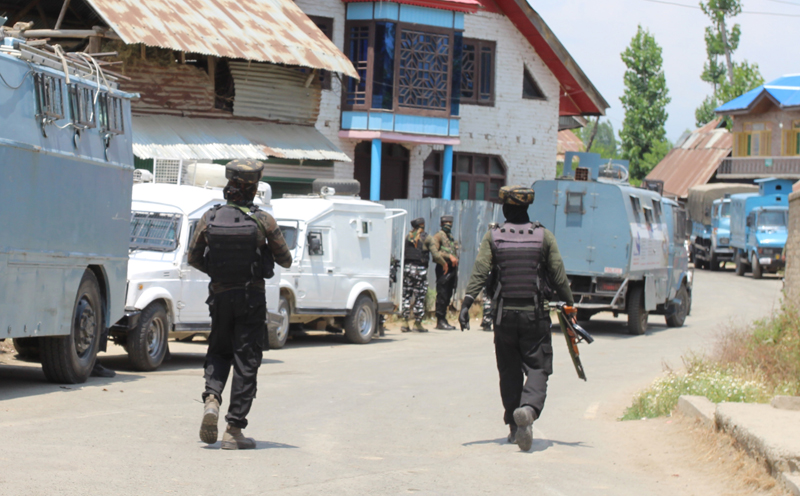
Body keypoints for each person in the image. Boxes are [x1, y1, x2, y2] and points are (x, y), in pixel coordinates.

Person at [458, 186, 576, 452]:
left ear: (506, 209)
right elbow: (558, 275)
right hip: (535, 315)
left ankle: (514, 425)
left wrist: (466, 304)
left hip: (503, 317)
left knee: (509, 370)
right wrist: (569, 303)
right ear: (526, 208)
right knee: (538, 366)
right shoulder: (544, 236)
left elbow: (479, 271)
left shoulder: (494, 236)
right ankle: (528, 411)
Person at [187, 159, 292, 450]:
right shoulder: (264, 221)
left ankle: (211, 399)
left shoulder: (209, 218)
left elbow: (193, 258)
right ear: (254, 189)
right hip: (251, 300)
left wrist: (220, 273)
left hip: (219, 298)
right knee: (246, 361)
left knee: (219, 351)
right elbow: (285, 259)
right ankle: (233, 431)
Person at [401, 217, 433, 333]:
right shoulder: (426, 238)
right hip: (420, 271)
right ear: (422, 225)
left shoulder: (407, 238)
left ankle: (404, 322)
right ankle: (417, 323)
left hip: (408, 270)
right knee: (419, 296)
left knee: (406, 295)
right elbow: (435, 254)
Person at [430, 215, 460, 330]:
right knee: (442, 294)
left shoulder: (450, 237)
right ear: (442, 224)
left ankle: (444, 318)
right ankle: (440, 320)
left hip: (452, 269)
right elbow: (435, 253)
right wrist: (449, 256)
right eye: (446, 222)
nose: (448, 224)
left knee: (448, 294)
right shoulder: (438, 236)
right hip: (443, 268)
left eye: (450, 222)